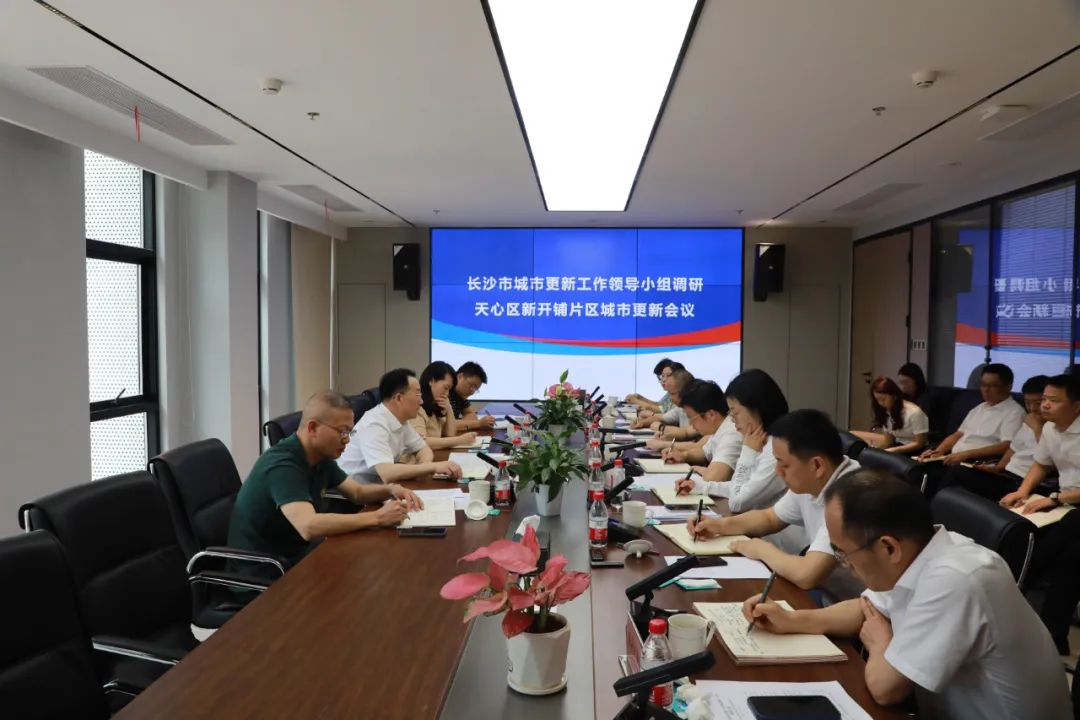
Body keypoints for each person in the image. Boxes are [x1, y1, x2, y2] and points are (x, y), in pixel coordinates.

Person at [743, 469, 1071, 719]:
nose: (844, 564)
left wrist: (881, 644)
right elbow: (865, 608)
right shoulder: (924, 552)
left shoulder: (956, 579)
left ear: (888, 547)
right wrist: (792, 620)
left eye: (843, 553)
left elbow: (886, 689)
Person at [228, 391, 425, 580]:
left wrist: (390, 489)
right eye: (342, 431)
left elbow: (356, 492)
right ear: (313, 428)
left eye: (350, 431)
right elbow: (308, 525)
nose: (347, 439)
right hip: (266, 571)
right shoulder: (282, 465)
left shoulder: (319, 455)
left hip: (298, 554)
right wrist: (377, 517)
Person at [685, 409, 863, 600]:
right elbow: (769, 518)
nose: (778, 471)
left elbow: (806, 574)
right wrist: (718, 525)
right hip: (826, 592)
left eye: (783, 464)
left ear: (817, 465)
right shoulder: (815, 480)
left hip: (845, 603)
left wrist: (761, 549)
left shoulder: (849, 497)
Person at [1000, 373, 1080, 654]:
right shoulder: (1050, 429)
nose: (1044, 405)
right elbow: (1040, 465)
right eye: (1044, 399)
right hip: (1065, 502)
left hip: (1069, 503)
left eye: (1053, 401)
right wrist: (1022, 491)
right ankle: (1052, 636)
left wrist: (1056, 498)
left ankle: (1024, 579)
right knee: (1068, 556)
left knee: (1067, 540)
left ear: (1076, 405)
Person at [677, 369, 790, 515]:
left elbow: (737, 503)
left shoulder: (776, 451)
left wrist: (748, 452)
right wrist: (700, 487)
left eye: (735, 412)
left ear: (758, 409)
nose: (732, 419)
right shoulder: (762, 441)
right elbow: (741, 486)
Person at [337, 368, 464, 484]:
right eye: (417, 395)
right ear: (398, 398)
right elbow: (387, 473)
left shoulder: (401, 421)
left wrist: (424, 467)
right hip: (352, 495)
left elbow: (423, 449)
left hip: (379, 487)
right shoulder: (374, 424)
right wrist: (432, 467)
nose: (421, 401)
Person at [937, 375, 1049, 501]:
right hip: (1006, 473)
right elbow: (1013, 448)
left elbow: (1049, 458)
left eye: (1038, 403)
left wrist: (1037, 428)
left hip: (1023, 481)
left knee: (957, 473)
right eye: (1028, 403)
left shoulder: (1049, 426)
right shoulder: (1029, 420)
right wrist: (997, 468)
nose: (1032, 408)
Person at [917, 363, 1024, 466]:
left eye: (992, 386)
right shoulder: (979, 408)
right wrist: (937, 452)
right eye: (983, 385)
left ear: (1008, 387)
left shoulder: (1014, 412)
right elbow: (958, 434)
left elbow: (1007, 445)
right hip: (955, 458)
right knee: (920, 467)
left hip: (978, 463)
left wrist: (967, 454)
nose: (986, 390)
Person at [662, 380, 741, 483]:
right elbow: (704, 452)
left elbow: (714, 477)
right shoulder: (720, 427)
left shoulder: (732, 433)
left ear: (711, 415)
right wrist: (683, 456)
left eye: (691, 417)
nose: (690, 423)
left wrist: (705, 471)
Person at [410, 361, 479, 450]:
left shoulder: (435, 406)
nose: (447, 394)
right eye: (446, 388)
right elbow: (421, 442)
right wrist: (459, 440)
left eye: (449, 390)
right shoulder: (417, 407)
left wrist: (449, 409)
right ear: (431, 381)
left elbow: (450, 433)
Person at [851, 376, 929, 454]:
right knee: (854, 437)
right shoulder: (887, 411)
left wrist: (894, 450)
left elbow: (920, 443)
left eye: (883, 399)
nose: (880, 403)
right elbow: (888, 442)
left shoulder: (914, 412)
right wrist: (876, 451)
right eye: (877, 400)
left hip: (915, 452)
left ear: (894, 396)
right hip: (897, 447)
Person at [448, 361, 496, 431]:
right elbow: (445, 425)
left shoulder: (460, 395)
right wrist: (478, 424)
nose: (472, 391)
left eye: (476, 389)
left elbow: (471, 415)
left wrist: (459, 424)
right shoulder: (445, 392)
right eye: (471, 385)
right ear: (460, 376)